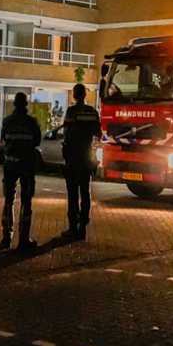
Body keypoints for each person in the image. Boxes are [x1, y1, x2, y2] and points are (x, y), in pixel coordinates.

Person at [0, 92, 43, 249]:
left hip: (10, 165)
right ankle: (23, 239)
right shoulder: (31, 122)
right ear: (26, 104)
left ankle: (6, 237)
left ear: (14, 104)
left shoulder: (7, 121)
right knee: (26, 201)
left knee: (8, 201)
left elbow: (3, 139)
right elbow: (37, 141)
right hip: (27, 165)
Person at [61, 84, 102, 240]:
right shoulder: (92, 112)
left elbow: (67, 133)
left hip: (72, 158)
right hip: (86, 157)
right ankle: (83, 226)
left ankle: (72, 226)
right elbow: (98, 133)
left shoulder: (71, 112)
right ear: (85, 95)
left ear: (74, 95)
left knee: (72, 193)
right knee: (85, 192)